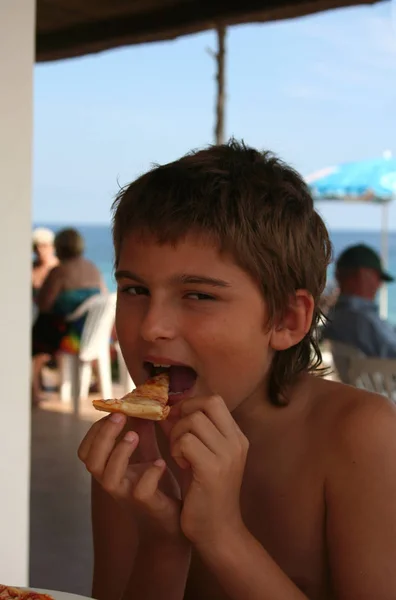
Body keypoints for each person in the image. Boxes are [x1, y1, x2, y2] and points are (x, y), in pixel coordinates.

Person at [78, 142, 396, 600]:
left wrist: (222, 535)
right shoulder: (129, 449)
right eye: (134, 288)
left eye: (198, 295)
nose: (152, 326)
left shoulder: (358, 434)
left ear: (287, 319)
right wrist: (162, 542)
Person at [32, 228, 106, 405]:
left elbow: (44, 304)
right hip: (94, 334)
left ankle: (33, 390)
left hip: (71, 337)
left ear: (59, 247)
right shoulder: (92, 267)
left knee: (33, 342)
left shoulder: (59, 271)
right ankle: (98, 383)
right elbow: (104, 296)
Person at [323, 243, 396, 357]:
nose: (379, 285)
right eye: (378, 277)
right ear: (361, 274)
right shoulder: (359, 320)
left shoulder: (337, 315)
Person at [32, 227, 59, 298]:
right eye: (36, 246)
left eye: (44, 246)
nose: (39, 250)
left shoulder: (60, 268)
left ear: (53, 247)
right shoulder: (31, 267)